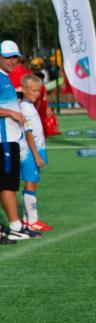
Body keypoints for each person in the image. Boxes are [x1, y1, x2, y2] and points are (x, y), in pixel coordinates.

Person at [0, 40, 40, 242]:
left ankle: (12, 226)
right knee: (8, 184)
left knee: (7, 183)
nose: (12, 60)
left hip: (10, 139)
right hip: (4, 139)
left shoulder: (5, 78)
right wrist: (11, 113)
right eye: (7, 57)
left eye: (14, 57)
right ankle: (16, 226)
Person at [19, 74, 50, 231]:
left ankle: (27, 220)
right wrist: (36, 155)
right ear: (24, 89)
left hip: (34, 150)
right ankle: (32, 221)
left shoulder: (29, 105)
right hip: (30, 152)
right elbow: (28, 132)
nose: (37, 94)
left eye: (39, 90)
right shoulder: (25, 108)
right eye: (34, 90)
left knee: (32, 183)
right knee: (30, 183)